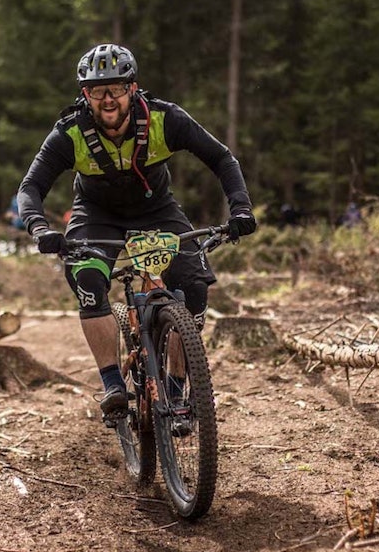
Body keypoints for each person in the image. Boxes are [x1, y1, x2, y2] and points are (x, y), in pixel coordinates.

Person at [16, 42, 257, 420]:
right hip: (96, 215)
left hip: (157, 210)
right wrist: (39, 228)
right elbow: (30, 187)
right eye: (97, 91)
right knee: (88, 278)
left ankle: (177, 387)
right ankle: (113, 385)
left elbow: (221, 157)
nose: (107, 99)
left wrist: (240, 207)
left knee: (193, 285)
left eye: (115, 89)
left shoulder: (166, 119)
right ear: (86, 95)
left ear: (132, 88)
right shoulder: (69, 132)